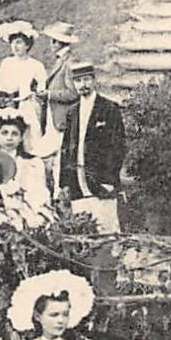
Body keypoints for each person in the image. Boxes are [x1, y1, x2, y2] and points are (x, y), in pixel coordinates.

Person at [54, 60, 124, 233]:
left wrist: (109, 179)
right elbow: (66, 148)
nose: (82, 85)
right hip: (77, 179)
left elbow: (118, 147)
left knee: (106, 229)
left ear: (94, 80)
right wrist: (64, 183)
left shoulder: (109, 108)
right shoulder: (72, 111)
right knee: (83, 230)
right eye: (78, 81)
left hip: (100, 179)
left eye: (86, 80)